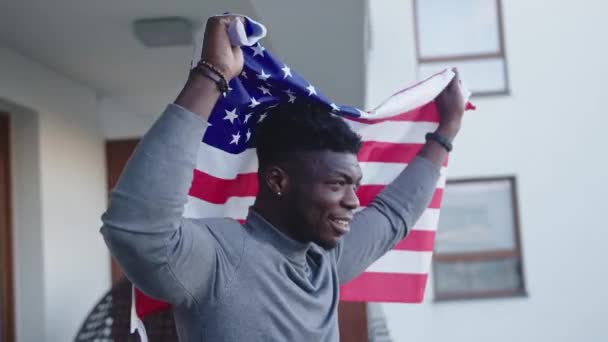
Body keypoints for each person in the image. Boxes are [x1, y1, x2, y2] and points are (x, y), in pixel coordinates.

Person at [101, 15, 465, 342]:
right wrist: (212, 75)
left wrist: (446, 131)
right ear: (277, 180)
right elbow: (136, 229)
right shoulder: (218, 256)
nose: (354, 200)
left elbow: (392, 215)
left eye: (353, 185)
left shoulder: (324, 262)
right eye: (337, 184)